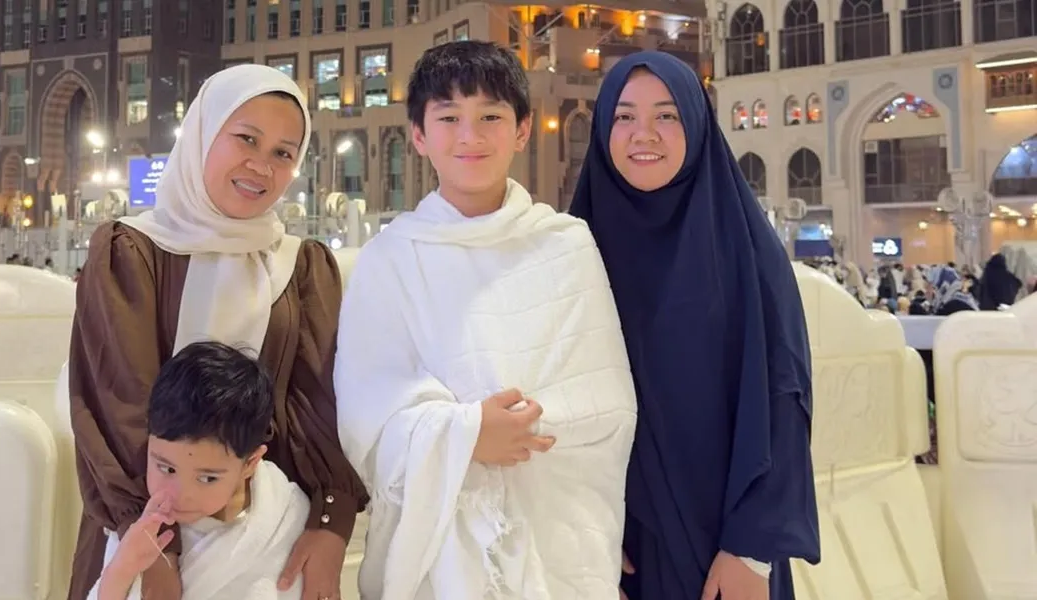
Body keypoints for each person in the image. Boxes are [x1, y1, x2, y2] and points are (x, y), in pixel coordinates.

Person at [334, 41, 638, 599]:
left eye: (490, 117)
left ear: (523, 130)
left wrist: (521, 434)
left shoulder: (566, 244)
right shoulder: (391, 258)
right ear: (419, 136)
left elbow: (607, 403)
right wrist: (467, 435)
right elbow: (365, 414)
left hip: (557, 530)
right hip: (439, 555)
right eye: (448, 118)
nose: (469, 136)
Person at [68, 64, 367, 600]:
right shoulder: (131, 252)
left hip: (264, 541)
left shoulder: (301, 266)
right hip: (140, 527)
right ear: (204, 134)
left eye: (283, 152)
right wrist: (155, 551)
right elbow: (118, 407)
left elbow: (321, 407)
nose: (262, 165)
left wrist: (330, 523)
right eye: (246, 139)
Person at [569, 52, 820, 600]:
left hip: (725, 541)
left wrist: (752, 550)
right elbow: (554, 396)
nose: (645, 134)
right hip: (613, 544)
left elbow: (783, 394)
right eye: (625, 117)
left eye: (667, 116)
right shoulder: (574, 249)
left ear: (698, 125)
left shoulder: (744, 251)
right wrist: (582, 531)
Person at [88, 341, 308, 600]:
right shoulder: (143, 525)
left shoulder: (285, 517)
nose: (181, 494)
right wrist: (120, 572)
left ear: (250, 463)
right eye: (166, 468)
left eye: (207, 478)